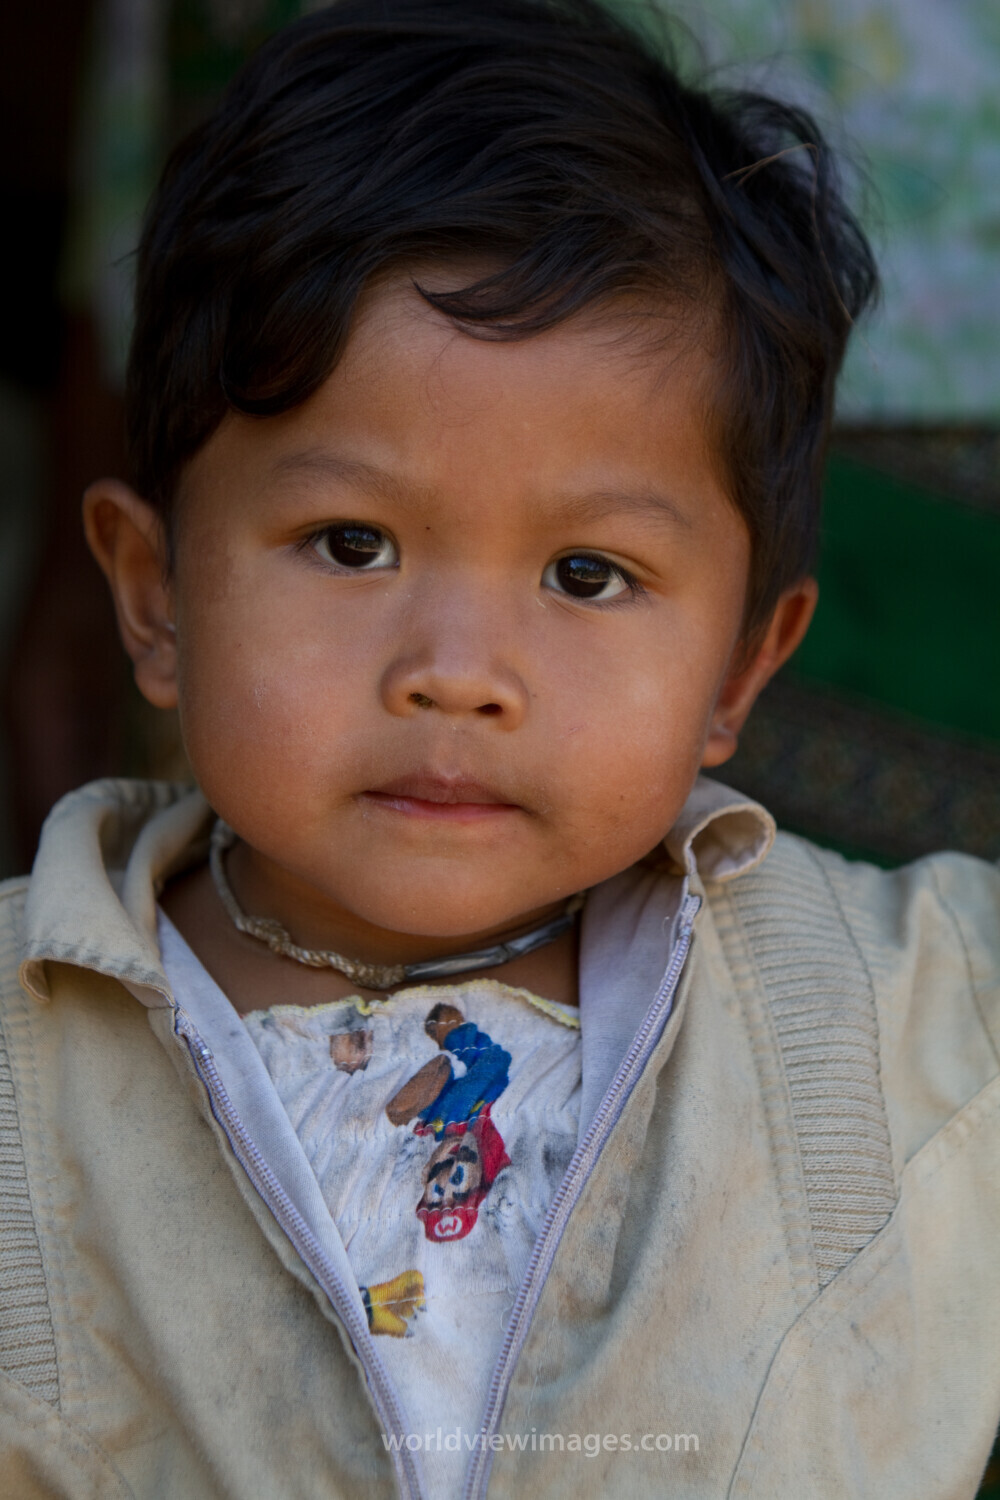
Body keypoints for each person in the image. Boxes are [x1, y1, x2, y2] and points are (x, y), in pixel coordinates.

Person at [1, 1, 997, 1495]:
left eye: (587, 576)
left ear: (740, 665)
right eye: (351, 543)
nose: (457, 676)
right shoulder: (25, 1061)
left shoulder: (927, 1019)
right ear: (155, 598)